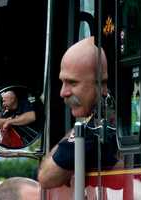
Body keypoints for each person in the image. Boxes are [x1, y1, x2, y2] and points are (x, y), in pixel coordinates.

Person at [37, 37, 117, 189]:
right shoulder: (104, 122)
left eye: (73, 83)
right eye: (62, 82)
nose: (63, 92)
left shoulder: (96, 130)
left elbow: (46, 177)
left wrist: (82, 128)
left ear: (103, 85)